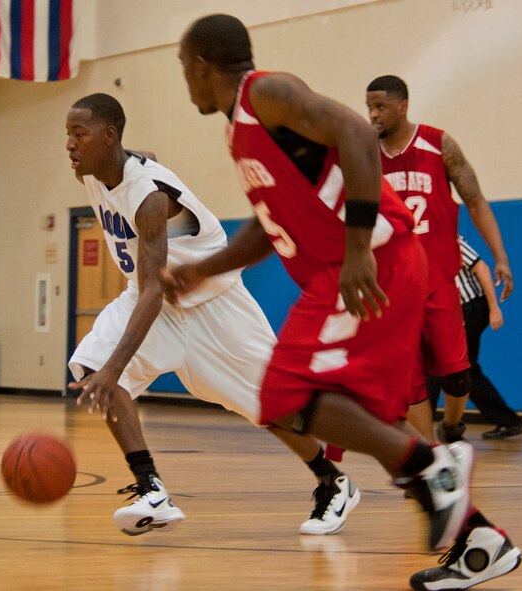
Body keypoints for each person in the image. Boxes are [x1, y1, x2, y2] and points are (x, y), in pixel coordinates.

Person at [174, 14, 519, 590]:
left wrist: (358, 246)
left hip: (367, 263)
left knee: (284, 395)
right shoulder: (240, 132)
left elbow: (358, 134)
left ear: (203, 66)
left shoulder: (267, 93)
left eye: (184, 68)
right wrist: (201, 271)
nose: (184, 80)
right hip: (352, 271)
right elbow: (267, 228)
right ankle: (481, 543)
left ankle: (436, 466)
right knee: (365, 415)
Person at [65, 93, 360, 537]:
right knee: (91, 367)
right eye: (67, 134)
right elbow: (144, 162)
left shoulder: (149, 198)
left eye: (78, 134)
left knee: (271, 405)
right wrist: (106, 370)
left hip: (212, 305)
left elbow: (151, 287)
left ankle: (333, 480)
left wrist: (116, 368)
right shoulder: (98, 169)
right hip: (152, 302)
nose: (69, 144)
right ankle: (152, 490)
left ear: (108, 137)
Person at [366, 75, 514, 444]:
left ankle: (451, 425)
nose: (372, 115)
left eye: (380, 107)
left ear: (403, 106)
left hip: (438, 283)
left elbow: (476, 200)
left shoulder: (439, 144)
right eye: (368, 107)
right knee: (412, 380)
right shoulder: (365, 153)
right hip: (394, 288)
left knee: (457, 374)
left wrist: (500, 257)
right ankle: (432, 453)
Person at [427, 236, 522, 440]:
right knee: (464, 367)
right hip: (457, 311)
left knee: (444, 364)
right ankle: (506, 420)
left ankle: (426, 426)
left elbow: (482, 268)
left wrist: (494, 309)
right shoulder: (422, 244)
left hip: (471, 307)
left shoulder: (450, 239)